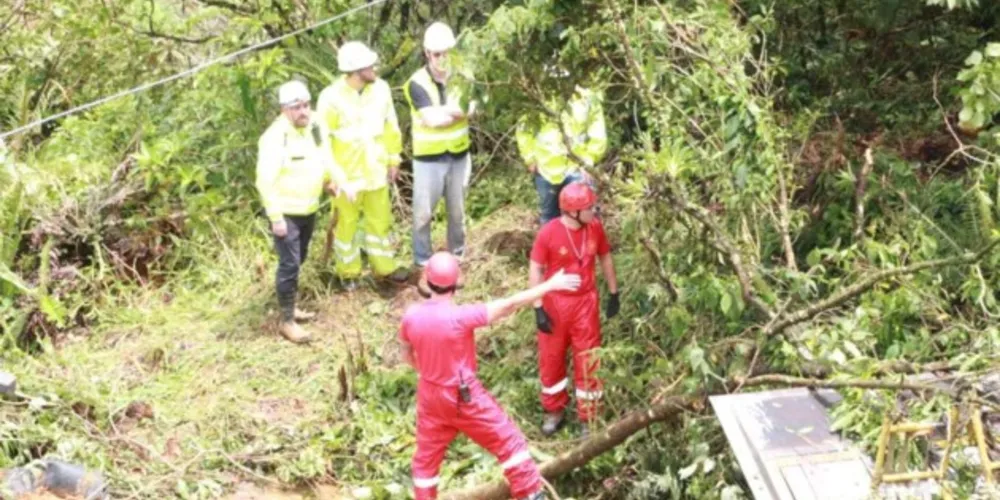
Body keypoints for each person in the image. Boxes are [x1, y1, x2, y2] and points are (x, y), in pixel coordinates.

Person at [399, 251, 581, 500]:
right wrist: (550, 285)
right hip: (463, 395)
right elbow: (509, 305)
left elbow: (407, 354)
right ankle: (530, 495)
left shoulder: (411, 316)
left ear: (426, 280)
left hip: (429, 395)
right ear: (456, 283)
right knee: (509, 442)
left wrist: (429, 373)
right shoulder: (460, 317)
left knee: (425, 462)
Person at [255, 80, 346, 343]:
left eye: (306, 105)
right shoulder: (274, 138)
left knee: (300, 258)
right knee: (289, 264)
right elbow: (264, 180)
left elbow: (324, 155)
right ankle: (286, 320)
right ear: (284, 109)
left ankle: (291, 305)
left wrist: (331, 180)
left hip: (309, 206)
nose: (304, 111)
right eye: (297, 107)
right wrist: (275, 217)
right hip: (286, 212)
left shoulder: (314, 125)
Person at [317, 41, 410, 290]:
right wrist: (330, 178)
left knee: (379, 222)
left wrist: (394, 159)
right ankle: (348, 273)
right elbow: (322, 142)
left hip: (376, 171)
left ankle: (385, 268)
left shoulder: (381, 89)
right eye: (369, 65)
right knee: (346, 226)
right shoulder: (330, 98)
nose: (375, 68)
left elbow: (391, 126)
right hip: (346, 178)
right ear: (355, 70)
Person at [528, 182, 619, 436]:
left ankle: (588, 416)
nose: (595, 211)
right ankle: (554, 410)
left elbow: (605, 257)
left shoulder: (595, 228)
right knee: (552, 357)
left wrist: (614, 293)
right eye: (590, 207)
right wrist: (537, 307)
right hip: (555, 302)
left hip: (585, 303)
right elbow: (535, 267)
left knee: (588, 358)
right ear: (573, 212)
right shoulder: (549, 233)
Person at [403, 21, 475, 280]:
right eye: (436, 54)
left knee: (457, 211)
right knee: (423, 213)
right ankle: (422, 261)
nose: (441, 59)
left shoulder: (464, 76)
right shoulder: (416, 83)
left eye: (446, 52)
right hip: (428, 160)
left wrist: (445, 114)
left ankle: (457, 257)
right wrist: (456, 112)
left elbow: (472, 110)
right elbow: (432, 120)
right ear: (426, 53)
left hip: (459, 155)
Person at [515, 76, 607, 225]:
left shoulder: (587, 97)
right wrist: (530, 159)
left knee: (584, 214)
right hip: (546, 168)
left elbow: (598, 131)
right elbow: (524, 130)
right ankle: (552, 248)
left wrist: (589, 159)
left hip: (577, 166)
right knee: (549, 217)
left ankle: (587, 247)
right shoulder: (536, 98)